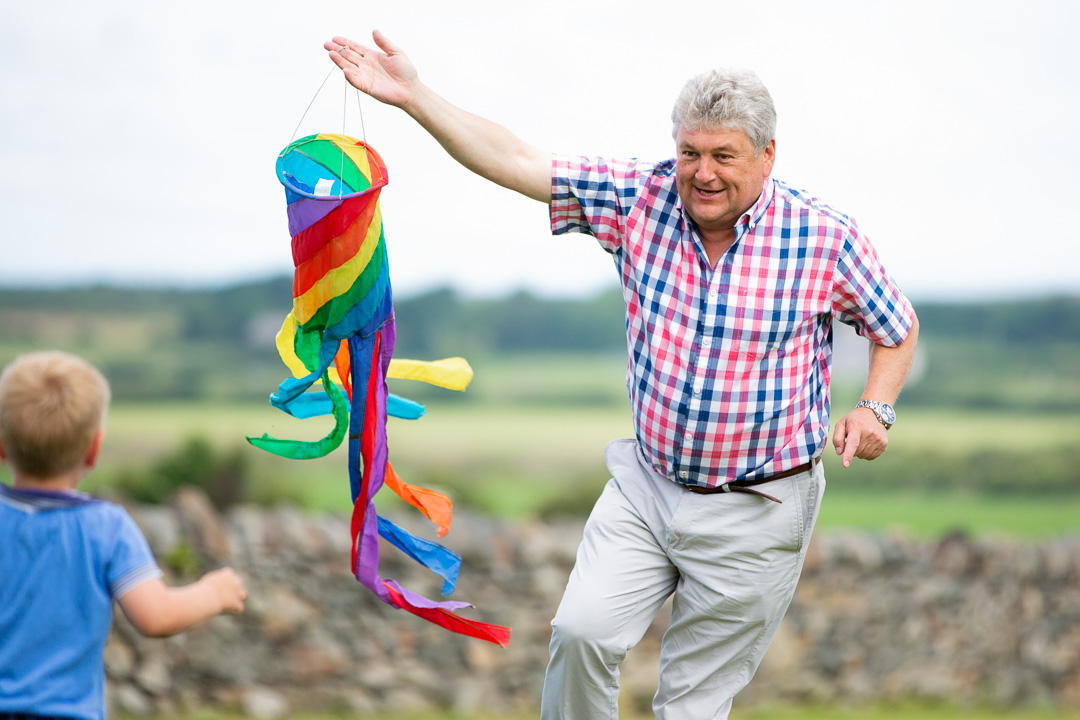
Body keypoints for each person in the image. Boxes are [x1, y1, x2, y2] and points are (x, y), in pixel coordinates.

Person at [324, 31, 919, 719]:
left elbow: (895, 327)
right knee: (579, 632)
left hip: (760, 508)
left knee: (690, 707)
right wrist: (414, 97)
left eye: (724, 155)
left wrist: (876, 409)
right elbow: (516, 158)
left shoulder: (824, 237)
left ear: (767, 156)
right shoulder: (640, 197)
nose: (703, 172)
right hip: (648, 485)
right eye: (690, 151)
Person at [0, 351, 248, 720]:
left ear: (2, 446)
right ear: (94, 449)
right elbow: (156, 616)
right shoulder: (106, 527)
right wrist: (214, 592)